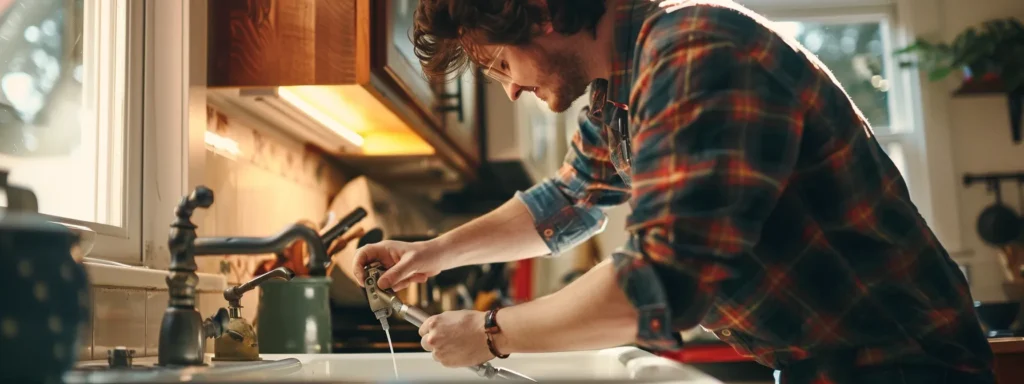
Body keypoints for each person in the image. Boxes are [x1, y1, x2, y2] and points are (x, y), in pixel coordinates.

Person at [352, 0, 995, 382]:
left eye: (499, 64)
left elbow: (663, 285)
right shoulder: (618, 93)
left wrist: (493, 332)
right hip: (828, 364)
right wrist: (431, 253)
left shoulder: (698, 51)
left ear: (543, 13)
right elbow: (568, 201)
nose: (511, 88)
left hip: (902, 366)